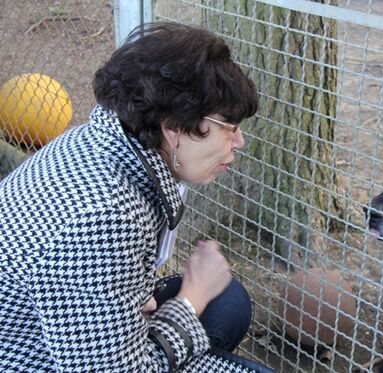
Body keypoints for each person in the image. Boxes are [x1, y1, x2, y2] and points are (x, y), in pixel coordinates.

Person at [0, 22, 274, 372]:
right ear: (174, 127)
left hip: (50, 336)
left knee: (228, 301)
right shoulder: (103, 218)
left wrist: (130, 295)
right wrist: (191, 299)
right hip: (28, 358)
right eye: (230, 128)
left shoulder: (101, 142)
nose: (239, 142)